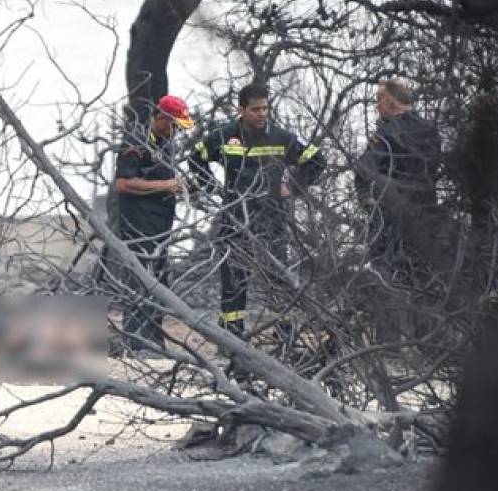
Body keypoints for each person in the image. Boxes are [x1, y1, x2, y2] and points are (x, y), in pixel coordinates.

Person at [188, 83, 327, 341]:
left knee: (278, 276)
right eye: (255, 109)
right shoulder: (226, 135)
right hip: (236, 218)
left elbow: (318, 160)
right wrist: (214, 189)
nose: (262, 114)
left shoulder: (282, 137)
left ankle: (284, 336)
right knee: (233, 277)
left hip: (272, 217)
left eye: (265, 108)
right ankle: (232, 338)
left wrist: (293, 186)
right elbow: (196, 158)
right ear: (241, 110)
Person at [113, 94, 194, 355]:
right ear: (161, 118)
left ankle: (155, 340)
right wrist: (164, 185)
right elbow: (124, 183)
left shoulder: (167, 144)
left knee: (159, 282)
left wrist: (180, 187)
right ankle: (136, 343)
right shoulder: (135, 141)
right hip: (138, 226)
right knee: (139, 281)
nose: (175, 133)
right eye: (173, 126)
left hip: (162, 227)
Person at [354, 78, 442, 276]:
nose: (377, 106)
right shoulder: (430, 130)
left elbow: (364, 167)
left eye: (379, 100)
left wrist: (365, 198)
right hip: (427, 218)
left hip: (392, 222)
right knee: (422, 276)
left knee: (387, 278)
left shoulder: (388, 132)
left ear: (390, 101)